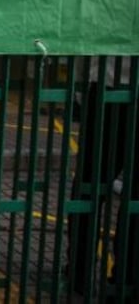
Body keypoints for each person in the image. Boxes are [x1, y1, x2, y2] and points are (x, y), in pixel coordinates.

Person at [68, 56, 138, 301]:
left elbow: (86, 45)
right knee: (134, 200)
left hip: (107, 91)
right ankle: (126, 276)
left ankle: (79, 269)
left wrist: (81, 90)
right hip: (110, 86)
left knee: (89, 186)